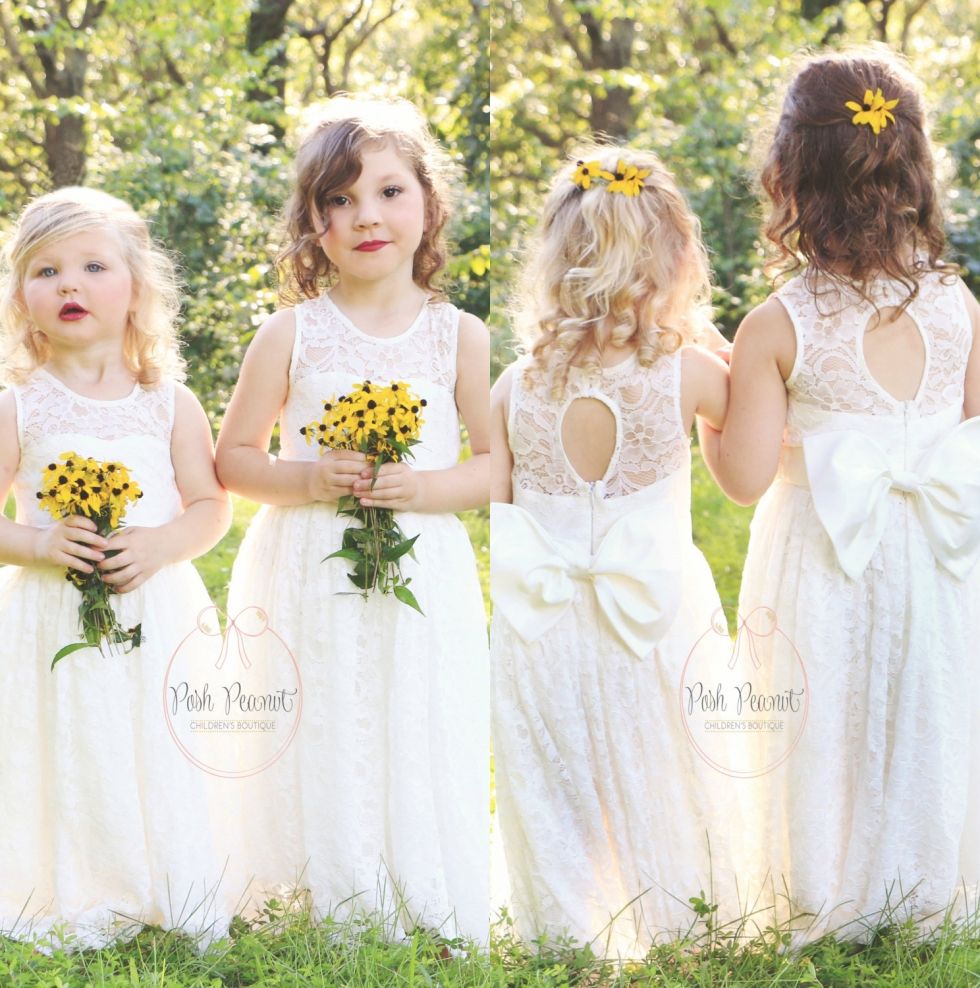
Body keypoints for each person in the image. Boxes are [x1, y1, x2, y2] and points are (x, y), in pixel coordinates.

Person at [708, 48, 980, 939]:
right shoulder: (960, 306)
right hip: (938, 556)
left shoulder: (774, 326)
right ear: (914, 171)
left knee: (826, 716)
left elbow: (744, 479)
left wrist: (713, 405)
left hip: (825, 557)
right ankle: (927, 883)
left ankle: (827, 887)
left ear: (789, 177)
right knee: (930, 705)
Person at [215, 97, 490, 943]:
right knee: (323, 713)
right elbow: (234, 459)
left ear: (428, 204)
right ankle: (314, 883)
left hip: (420, 563)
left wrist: (422, 488)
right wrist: (308, 478)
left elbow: (496, 467)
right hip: (311, 564)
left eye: (389, 192)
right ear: (312, 223)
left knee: (411, 711)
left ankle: (415, 878)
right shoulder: (289, 334)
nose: (366, 216)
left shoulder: (459, 336)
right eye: (339, 199)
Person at [489, 146, 735, 955]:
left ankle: (565, 929)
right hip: (655, 612)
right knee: (664, 764)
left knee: (555, 777)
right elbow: (750, 458)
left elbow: (499, 499)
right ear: (673, 260)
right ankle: (687, 920)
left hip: (543, 627)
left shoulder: (513, 387)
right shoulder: (693, 374)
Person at [0, 187, 234, 947]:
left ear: (137, 289)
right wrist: (38, 545)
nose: (69, 284)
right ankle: (72, 881)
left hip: (154, 611)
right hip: (50, 618)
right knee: (69, 742)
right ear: (22, 299)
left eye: (93, 266)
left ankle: (163, 877)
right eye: (46, 271)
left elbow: (212, 506)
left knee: (153, 741)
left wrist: (161, 544)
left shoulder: (170, 403)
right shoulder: (19, 406)